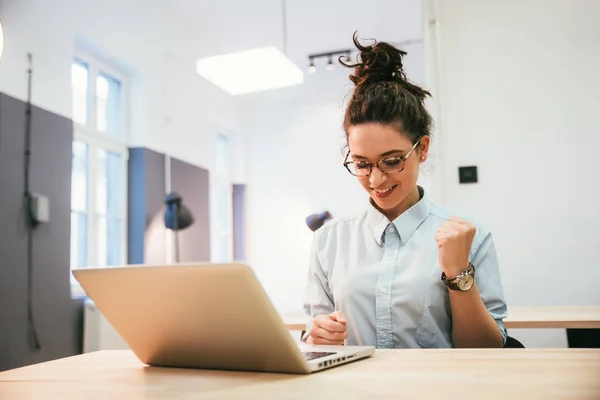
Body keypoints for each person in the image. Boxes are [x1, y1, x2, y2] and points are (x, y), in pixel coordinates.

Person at [302, 33, 508, 349]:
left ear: (422, 149)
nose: (376, 180)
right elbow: (316, 339)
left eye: (392, 161)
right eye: (361, 164)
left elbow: (487, 351)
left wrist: (458, 276)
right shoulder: (329, 241)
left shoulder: (469, 236)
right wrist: (317, 334)